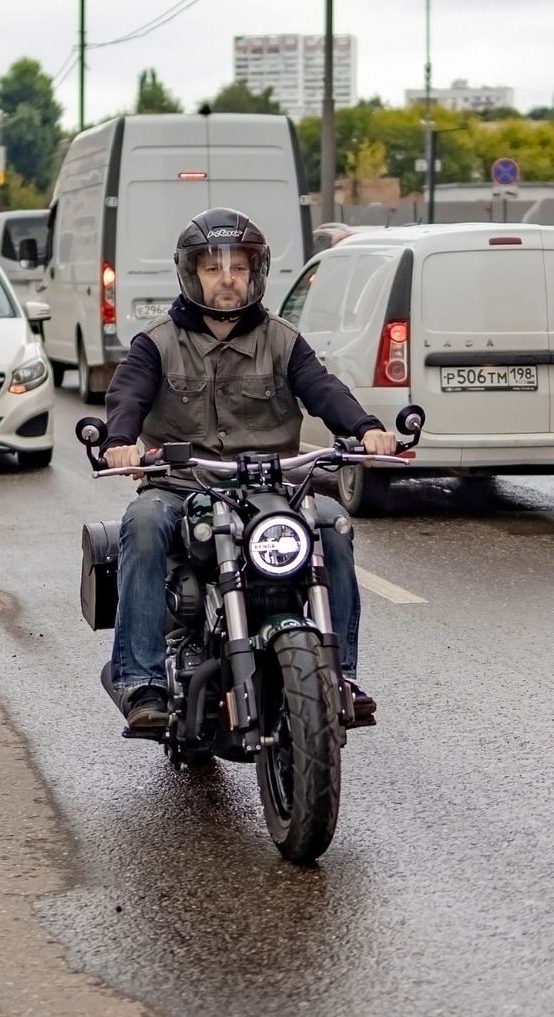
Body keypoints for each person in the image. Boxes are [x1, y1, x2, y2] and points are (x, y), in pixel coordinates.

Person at [100, 208, 399, 734]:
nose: (227, 278)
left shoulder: (283, 340)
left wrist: (367, 428)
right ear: (192, 273)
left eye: (238, 267)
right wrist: (120, 442)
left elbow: (325, 390)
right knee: (143, 524)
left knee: (332, 522)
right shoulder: (157, 342)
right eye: (214, 268)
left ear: (255, 272)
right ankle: (140, 680)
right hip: (181, 484)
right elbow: (127, 396)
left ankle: (341, 673)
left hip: (270, 485)